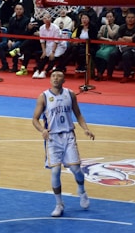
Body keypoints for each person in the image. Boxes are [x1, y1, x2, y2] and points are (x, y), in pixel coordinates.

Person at [32, 70, 95, 217]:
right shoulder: (43, 97)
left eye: (58, 76)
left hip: (68, 136)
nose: (55, 78)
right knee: (55, 171)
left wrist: (86, 129)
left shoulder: (70, 94)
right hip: (52, 138)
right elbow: (34, 119)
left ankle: (82, 190)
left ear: (64, 79)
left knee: (76, 170)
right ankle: (59, 204)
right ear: (50, 79)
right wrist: (42, 130)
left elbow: (78, 114)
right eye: (53, 76)